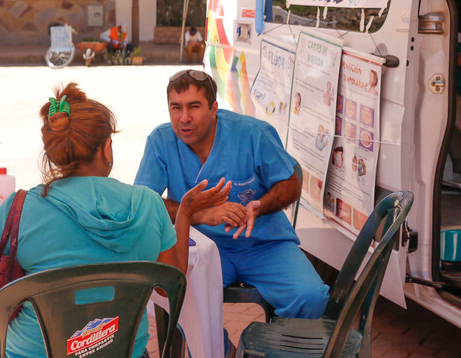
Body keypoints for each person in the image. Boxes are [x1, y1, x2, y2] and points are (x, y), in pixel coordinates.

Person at [0, 83, 230, 358]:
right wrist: (185, 213)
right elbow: (169, 284)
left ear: (55, 152)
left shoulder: (19, 208)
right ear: (106, 147)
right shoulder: (148, 204)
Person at [134, 69, 330, 355]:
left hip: (263, 244)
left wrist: (261, 206)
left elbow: (291, 183)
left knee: (311, 296)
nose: (183, 118)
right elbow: (145, 202)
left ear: (214, 108)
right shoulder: (161, 141)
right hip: (201, 248)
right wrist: (201, 215)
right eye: (176, 108)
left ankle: (279, 351)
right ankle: (224, 352)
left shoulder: (253, 134)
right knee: (181, 298)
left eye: (194, 106)